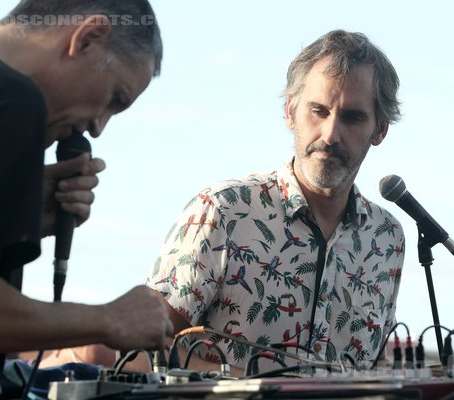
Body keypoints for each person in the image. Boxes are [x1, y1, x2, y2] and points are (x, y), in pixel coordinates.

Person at [0, 0, 173, 398]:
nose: (97, 127)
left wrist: (9, 212)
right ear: (88, 37)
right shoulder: (7, 96)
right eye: (115, 98)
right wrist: (108, 319)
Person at [147, 30, 405, 374]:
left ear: (380, 131)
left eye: (352, 117)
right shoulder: (224, 209)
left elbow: (373, 365)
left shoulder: (388, 237)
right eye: (319, 111)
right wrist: (249, 385)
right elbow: (140, 347)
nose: (330, 135)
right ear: (290, 112)